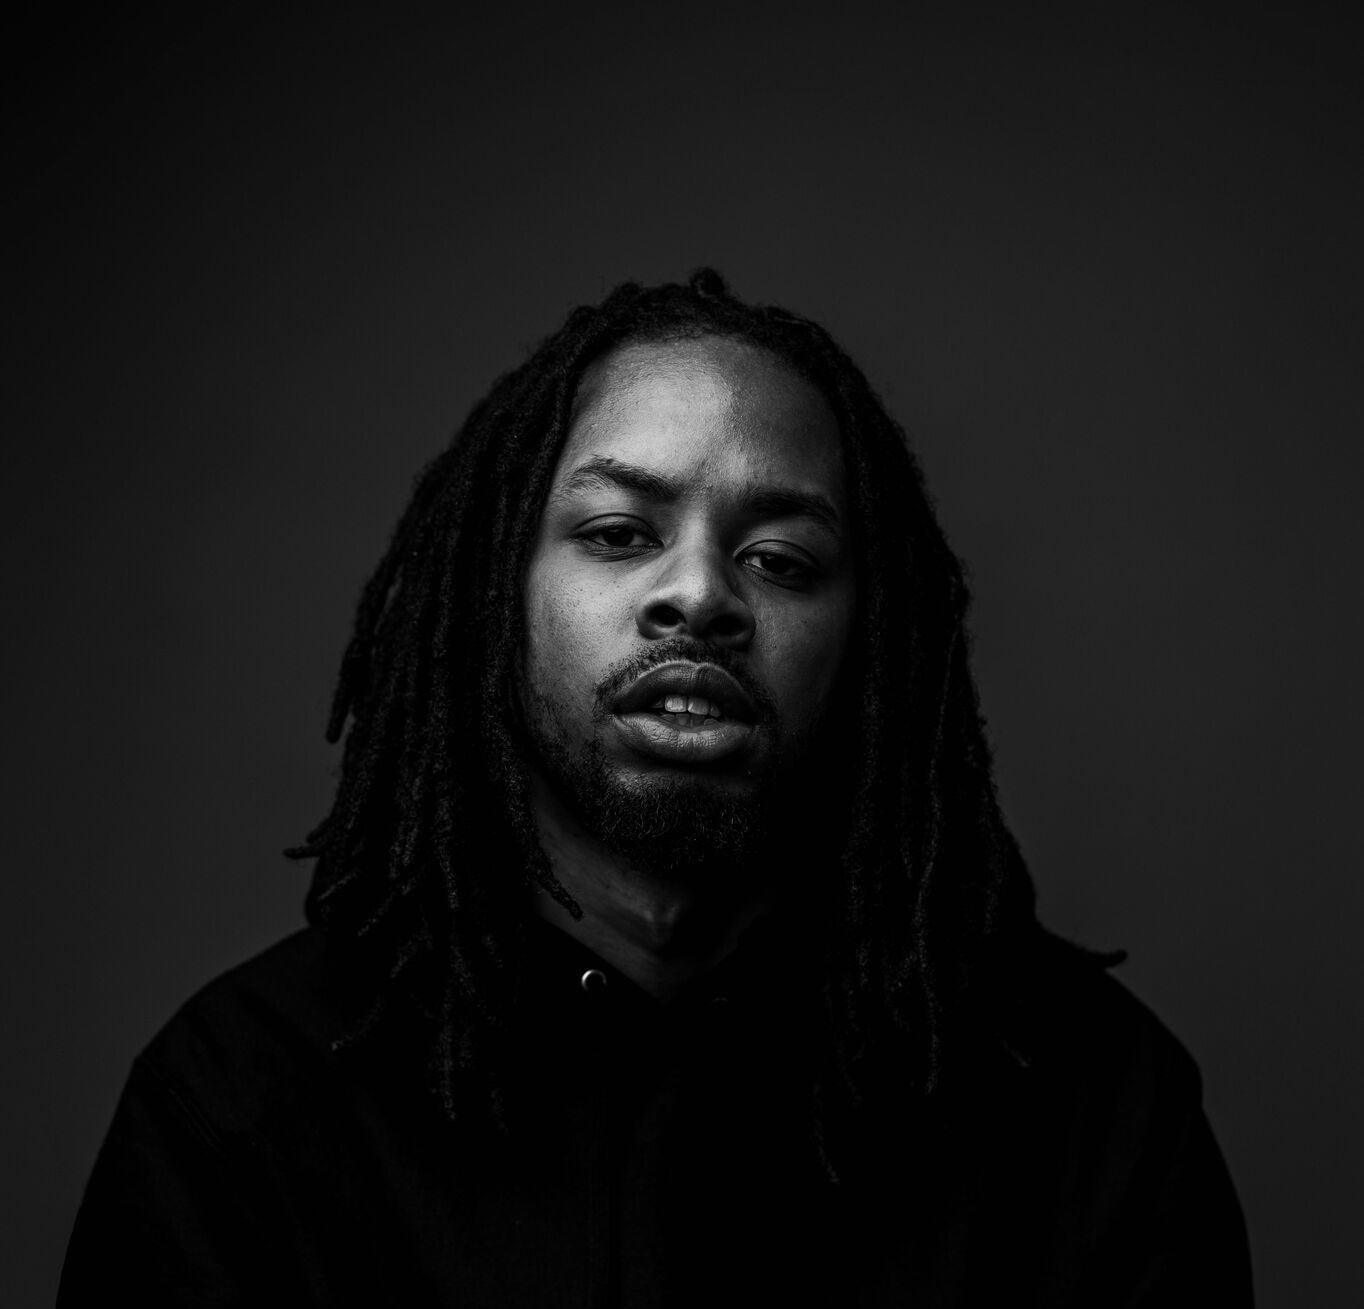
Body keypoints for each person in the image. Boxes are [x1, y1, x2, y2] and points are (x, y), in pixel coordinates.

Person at [59, 270, 1253, 1306]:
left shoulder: (1086, 1108)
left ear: (869, 642)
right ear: (496, 594)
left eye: (778, 558)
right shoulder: (244, 1105)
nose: (699, 596)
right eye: (619, 534)